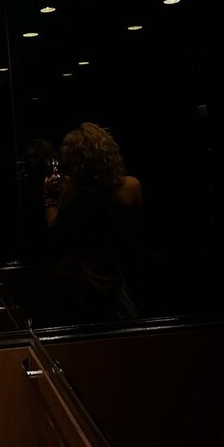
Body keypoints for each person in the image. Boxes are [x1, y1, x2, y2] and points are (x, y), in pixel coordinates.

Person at [42, 122, 142, 323]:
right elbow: (136, 232)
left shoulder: (72, 192)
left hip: (80, 281)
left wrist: (49, 199)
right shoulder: (131, 187)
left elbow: (57, 233)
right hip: (119, 272)